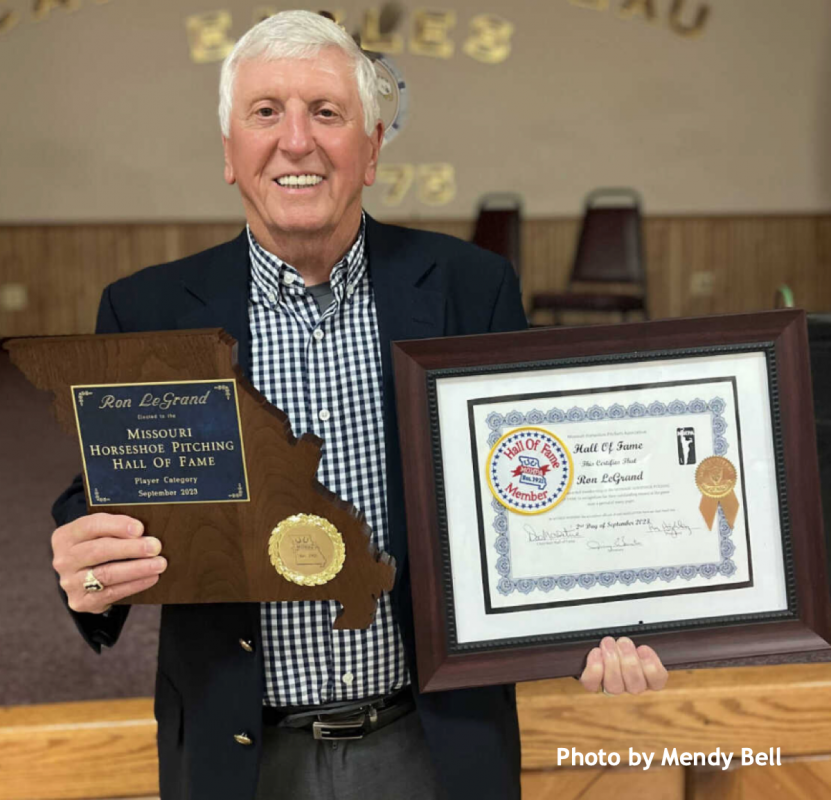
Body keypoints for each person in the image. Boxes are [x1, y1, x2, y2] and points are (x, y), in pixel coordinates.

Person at [50, 10, 668, 800]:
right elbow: (110, 500)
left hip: (433, 743)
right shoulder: (150, 310)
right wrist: (86, 565)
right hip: (239, 750)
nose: (297, 141)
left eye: (328, 113)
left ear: (371, 151)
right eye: (265, 112)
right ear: (230, 153)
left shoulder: (469, 288)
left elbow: (543, 484)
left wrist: (610, 613)